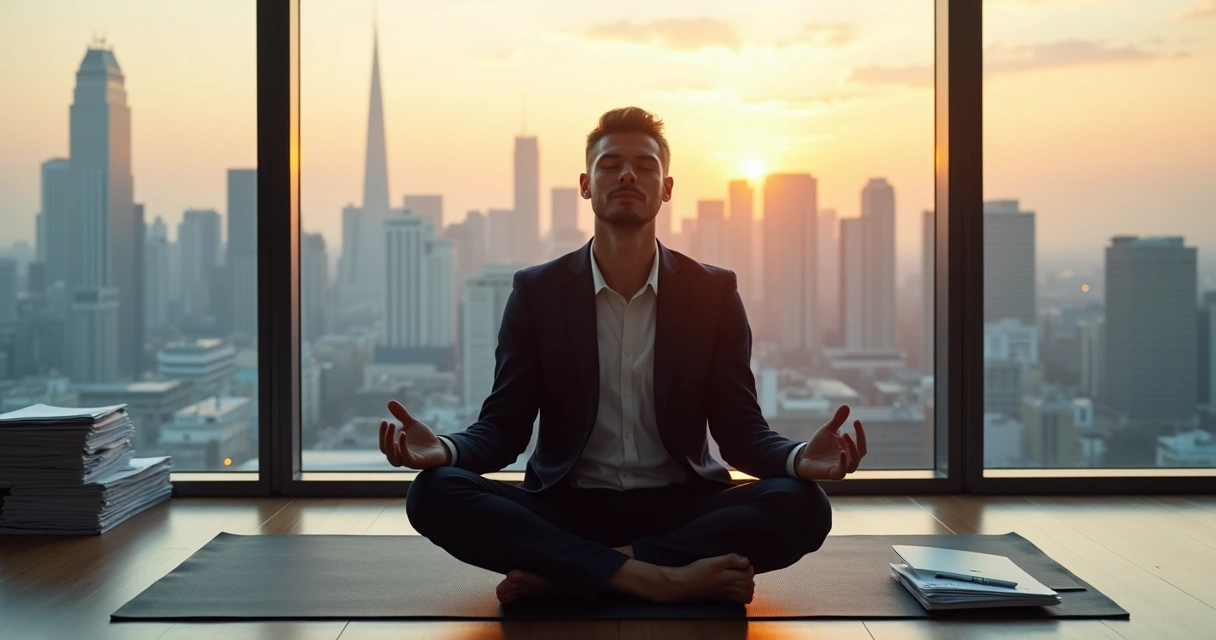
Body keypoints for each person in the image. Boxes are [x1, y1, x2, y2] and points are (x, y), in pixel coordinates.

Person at [380, 107, 868, 606]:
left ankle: (573, 571)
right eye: (611, 164)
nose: (628, 174)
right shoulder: (538, 292)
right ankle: (664, 577)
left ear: (667, 187)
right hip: (565, 506)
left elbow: (740, 431)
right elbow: (504, 428)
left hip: (683, 506)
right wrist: (445, 450)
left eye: (645, 165)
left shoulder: (713, 292)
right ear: (586, 185)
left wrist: (798, 458)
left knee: (804, 506)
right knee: (434, 492)